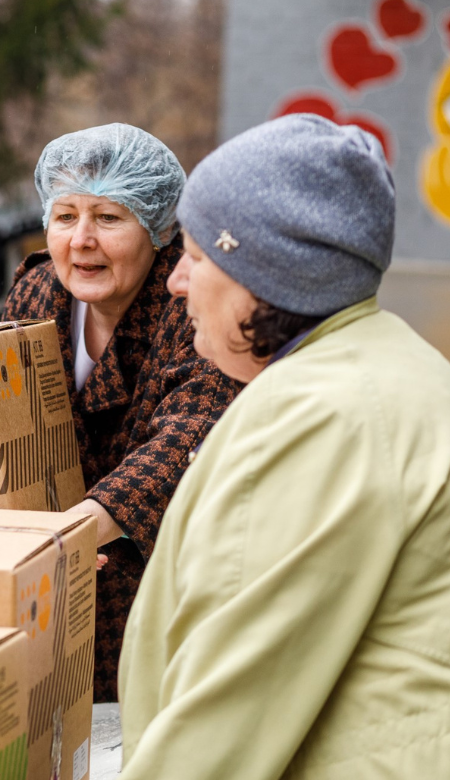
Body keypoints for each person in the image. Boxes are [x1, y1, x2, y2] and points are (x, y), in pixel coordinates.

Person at [119, 114, 450, 777]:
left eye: (195, 255)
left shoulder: (319, 414)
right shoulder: (386, 362)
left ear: (264, 277)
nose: (176, 282)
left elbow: (231, 699)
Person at [4, 124, 241, 701]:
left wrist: (67, 534)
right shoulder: (36, 295)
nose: (81, 240)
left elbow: (188, 438)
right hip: (44, 586)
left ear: (159, 227)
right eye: (65, 217)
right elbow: (0, 421)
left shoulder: (189, 304)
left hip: (154, 586)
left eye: (108, 218)